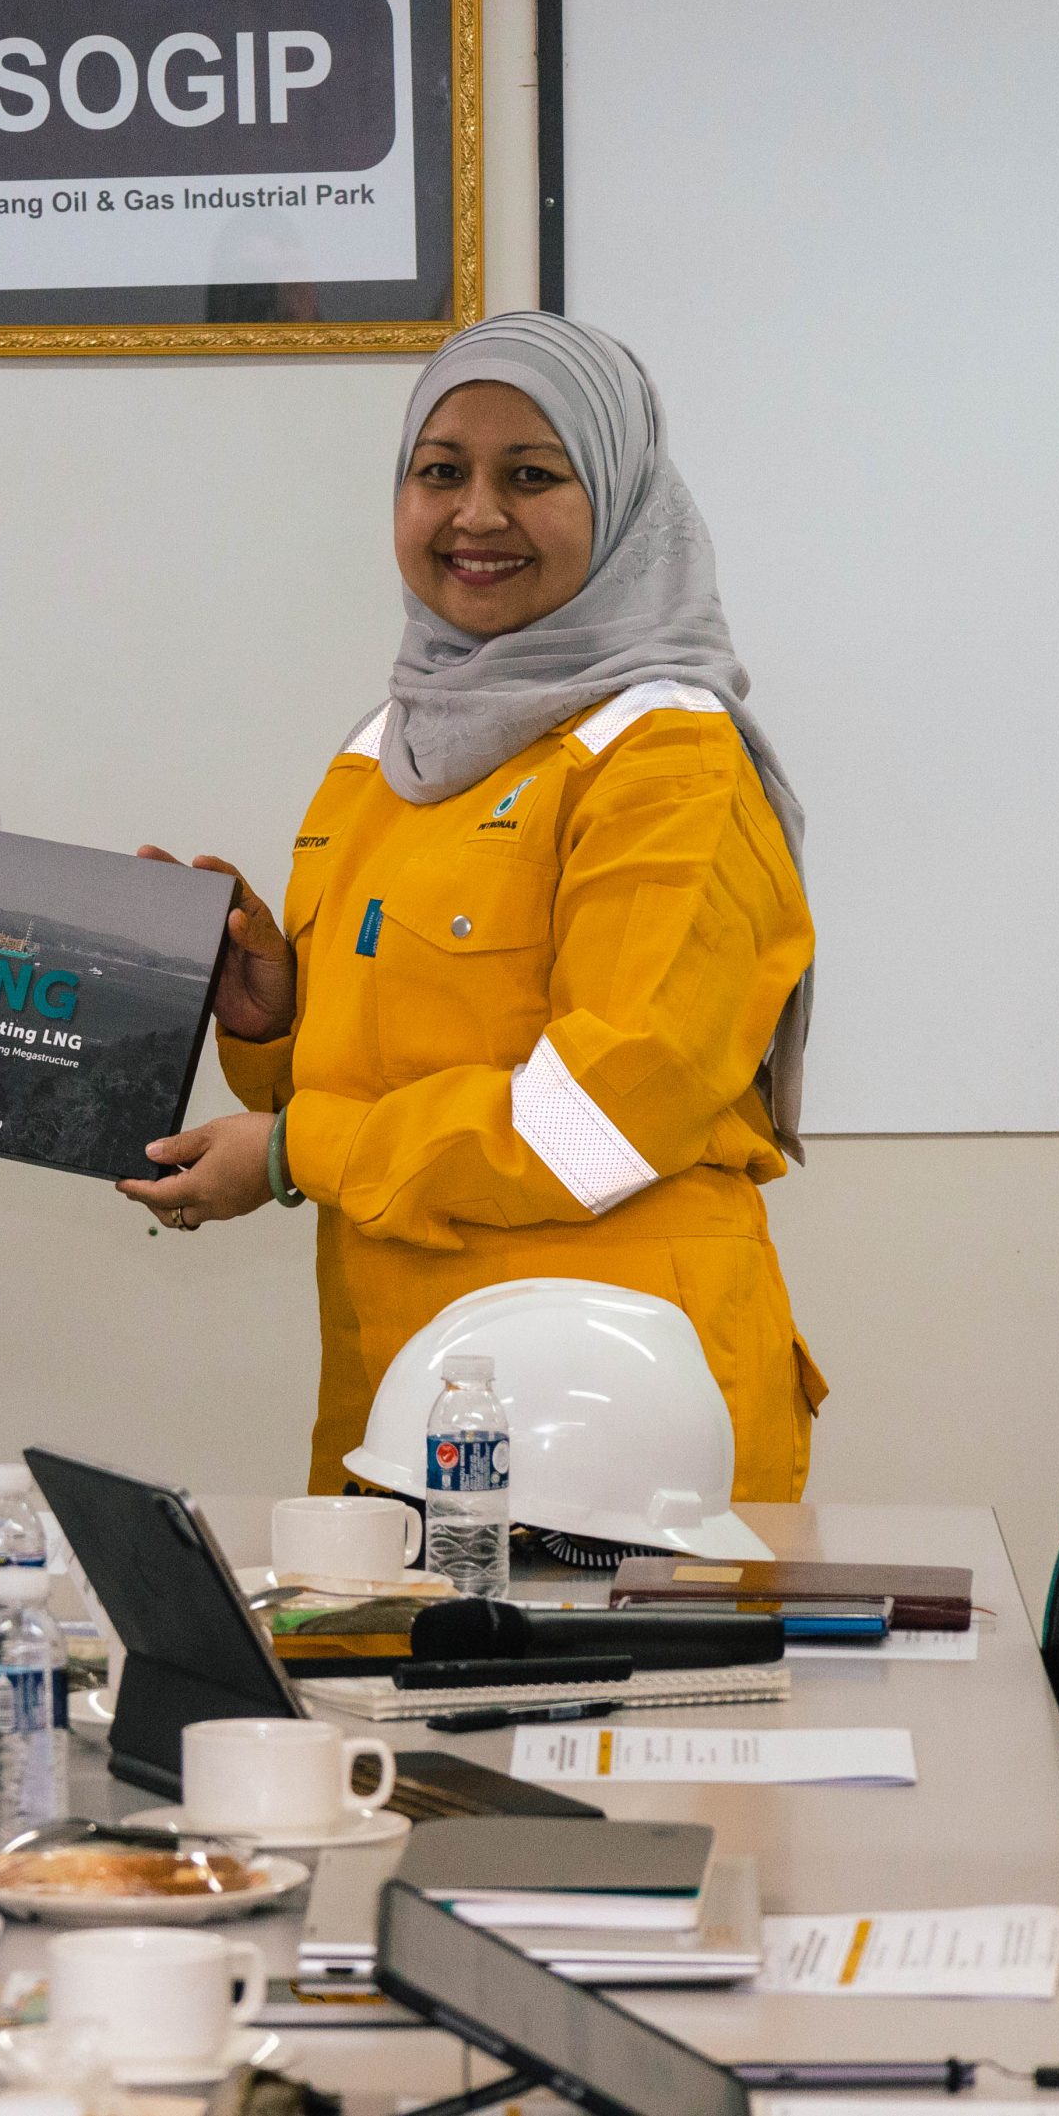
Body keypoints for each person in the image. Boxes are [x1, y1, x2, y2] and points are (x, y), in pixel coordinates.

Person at [120, 313, 823, 1503]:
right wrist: (271, 1017)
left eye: (532, 475)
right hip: (410, 1386)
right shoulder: (389, 748)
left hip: (618, 1414)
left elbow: (602, 1117)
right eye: (439, 471)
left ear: (620, 500)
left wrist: (294, 1150)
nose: (476, 514)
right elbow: (383, 1067)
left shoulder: (669, 761)